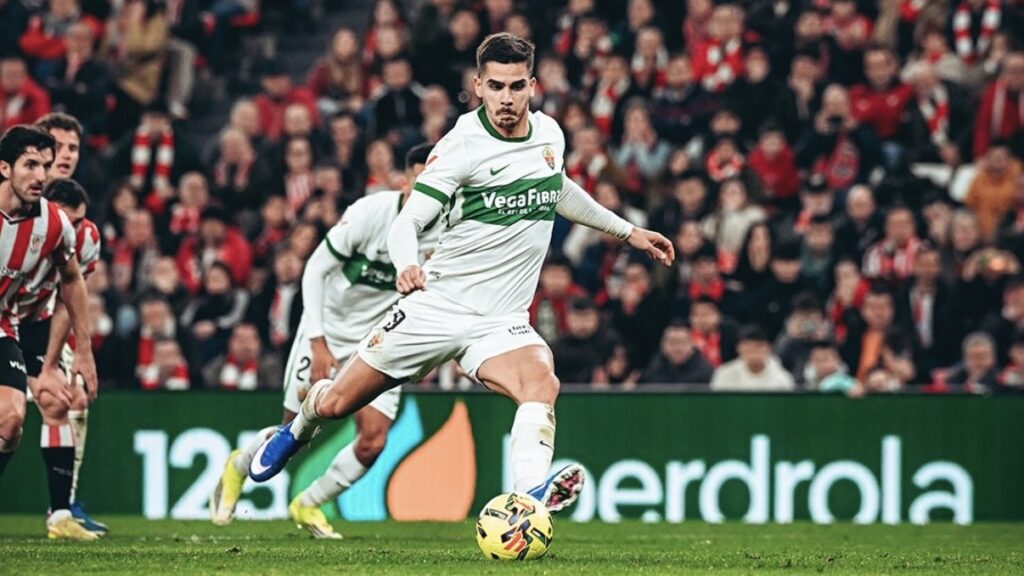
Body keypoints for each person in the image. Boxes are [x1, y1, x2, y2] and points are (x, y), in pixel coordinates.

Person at [248, 34, 674, 519]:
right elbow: (408, 221)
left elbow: (556, 189)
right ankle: (298, 427)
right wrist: (408, 265)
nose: (507, 98)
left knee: (541, 383)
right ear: (478, 86)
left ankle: (528, 498)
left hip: (501, 320)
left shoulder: (550, 136)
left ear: (533, 86)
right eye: (496, 86)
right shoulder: (461, 146)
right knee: (336, 404)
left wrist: (628, 232)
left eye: (516, 86)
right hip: (437, 306)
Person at [210, 144, 441, 538]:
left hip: (380, 336)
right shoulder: (370, 213)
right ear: (405, 181)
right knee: (296, 434)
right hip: (329, 328)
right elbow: (316, 268)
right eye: (420, 180)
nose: (427, 190)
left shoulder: (447, 230)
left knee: (373, 441)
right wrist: (318, 341)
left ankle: (309, 503)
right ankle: (238, 466)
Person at [0, 125, 96, 540]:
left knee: (11, 421)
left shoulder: (55, 223)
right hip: (20, 320)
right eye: (30, 165)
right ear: (4, 168)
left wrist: (83, 352)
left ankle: (60, 514)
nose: (40, 175)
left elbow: (72, 281)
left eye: (45, 165)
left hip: (8, 324)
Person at [709, 325, 796, 392]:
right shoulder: (724, 374)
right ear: (738, 348)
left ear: (769, 348)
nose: (753, 353)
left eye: (758, 347)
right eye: (748, 348)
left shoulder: (782, 379)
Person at [640, 320, 714, 384]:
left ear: (692, 344)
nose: (677, 348)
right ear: (663, 345)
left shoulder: (705, 372)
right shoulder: (653, 370)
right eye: (672, 342)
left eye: (682, 342)